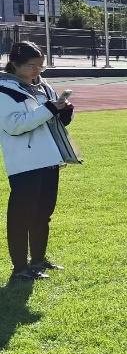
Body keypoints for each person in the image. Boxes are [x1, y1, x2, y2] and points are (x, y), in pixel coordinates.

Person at [0, 41, 77, 282]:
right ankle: (20, 267)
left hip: (50, 158)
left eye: (40, 66)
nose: (37, 71)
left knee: (43, 214)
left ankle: (39, 260)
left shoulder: (43, 86)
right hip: (25, 163)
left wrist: (64, 112)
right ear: (15, 64)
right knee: (21, 217)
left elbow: (51, 117)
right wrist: (49, 109)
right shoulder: (5, 90)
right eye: (32, 66)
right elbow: (14, 125)